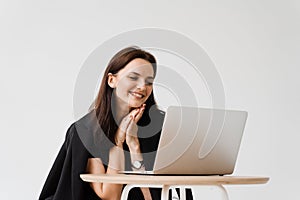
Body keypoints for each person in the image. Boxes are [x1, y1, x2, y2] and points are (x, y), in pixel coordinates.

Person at [39, 46, 193, 200]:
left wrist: (134, 147)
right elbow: (111, 197)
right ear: (112, 80)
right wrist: (118, 142)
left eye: (149, 82)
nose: (142, 87)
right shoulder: (86, 130)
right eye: (133, 77)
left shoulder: (160, 126)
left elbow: (154, 196)